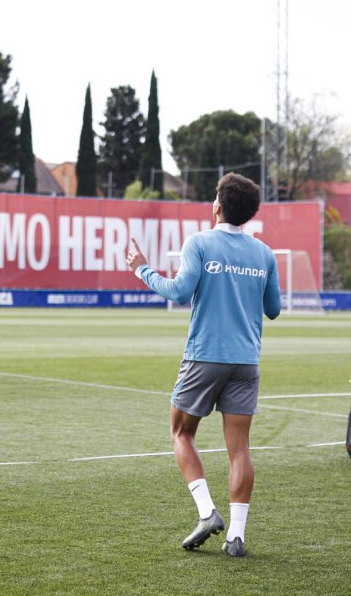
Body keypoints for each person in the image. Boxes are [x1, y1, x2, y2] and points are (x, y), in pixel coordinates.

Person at [127, 173, 281, 558]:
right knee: (240, 449)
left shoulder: (199, 242)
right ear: (249, 214)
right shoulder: (264, 253)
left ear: (217, 205)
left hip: (205, 355)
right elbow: (273, 309)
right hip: (247, 360)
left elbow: (178, 291)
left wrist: (141, 269)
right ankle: (237, 536)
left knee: (181, 433)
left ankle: (207, 513)